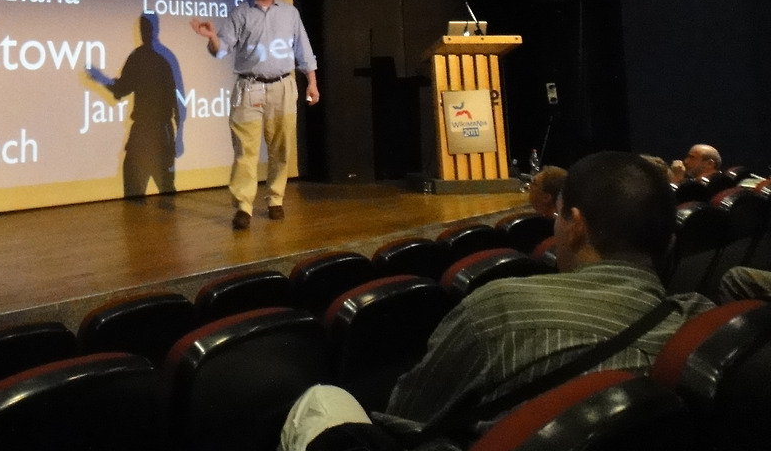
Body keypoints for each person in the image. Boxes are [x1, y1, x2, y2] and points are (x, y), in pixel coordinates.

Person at [280, 151, 713, 449]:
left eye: (559, 215)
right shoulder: (701, 324)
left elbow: (407, 418)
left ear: (576, 225)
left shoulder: (503, 310)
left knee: (320, 401)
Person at [191, 0, 319, 230]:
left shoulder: (290, 13)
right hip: (250, 87)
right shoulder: (241, 13)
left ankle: (275, 199)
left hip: (283, 86)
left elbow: (304, 51)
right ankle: (244, 206)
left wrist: (312, 83)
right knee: (245, 150)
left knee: (281, 147)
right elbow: (221, 50)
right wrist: (212, 36)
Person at [86, 13, 184, 197]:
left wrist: (180, 137)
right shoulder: (143, 57)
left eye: (146, 27)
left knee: (162, 196)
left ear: (154, 28)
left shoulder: (157, 58)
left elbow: (179, 100)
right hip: (146, 134)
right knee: (143, 194)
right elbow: (122, 88)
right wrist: (100, 78)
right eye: (142, 27)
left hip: (157, 134)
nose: (144, 31)